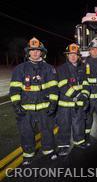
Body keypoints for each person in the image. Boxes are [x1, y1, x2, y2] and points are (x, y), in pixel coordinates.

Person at [9, 37, 58, 165]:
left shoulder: (49, 68)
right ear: (28, 52)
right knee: (26, 133)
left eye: (38, 50)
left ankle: (49, 151)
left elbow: (53, 87)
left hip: (44, 108)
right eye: (32, 50)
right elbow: (14, 88)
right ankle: (28, 155)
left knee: (47, 131)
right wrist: (16, 104)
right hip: (26, 109)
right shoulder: (20, 69)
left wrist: (53, 103)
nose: (35, 53)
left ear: (42, 52)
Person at [55, 43, 90, 156]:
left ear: (79, 56)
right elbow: (63, 86)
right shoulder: (61, 69)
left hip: (78, 103)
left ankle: (79, 141)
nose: (73, 57)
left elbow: (86, 84)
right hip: (65, 104)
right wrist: (77, 95)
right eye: (70, 54)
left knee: (79, 124)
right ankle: (63, 146)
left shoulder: (83, 68)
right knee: (64, 125)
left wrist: (84, 95)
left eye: (75, 54)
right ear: (67, 56)